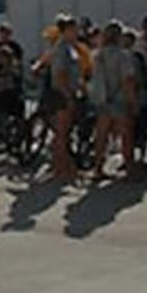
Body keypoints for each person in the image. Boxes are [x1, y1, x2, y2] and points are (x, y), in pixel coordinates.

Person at [88, 21, 139, 179]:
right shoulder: (123, 56)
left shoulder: (97, 55)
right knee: (126, 135)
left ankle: (97, 168)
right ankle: (129, 169)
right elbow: (127, 81)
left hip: (102, 99)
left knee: (101, 135)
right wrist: (133, 101)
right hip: (120, 100)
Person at [49, 14, 83, 181]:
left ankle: (60, 165)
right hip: (62, 93)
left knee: (63, 132)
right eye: (75, 29)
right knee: (62, 132)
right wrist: (68, 95)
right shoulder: (62, 47)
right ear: (67, 30)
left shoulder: (69, 46)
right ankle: (61, 167)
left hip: (67, 91)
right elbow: (60, 74)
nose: (77, 32)